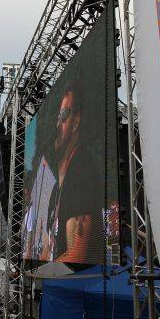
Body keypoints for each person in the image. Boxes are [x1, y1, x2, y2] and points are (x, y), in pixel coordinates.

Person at [40, 76, 99, 263]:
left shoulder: (82, 168)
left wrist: (43, 271)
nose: (58, 124)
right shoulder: (58, 186)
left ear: (75, 122)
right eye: (58, 117)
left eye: (64, 115)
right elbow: (47, 250)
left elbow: (76, 254)